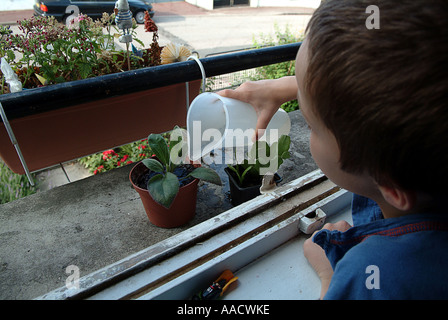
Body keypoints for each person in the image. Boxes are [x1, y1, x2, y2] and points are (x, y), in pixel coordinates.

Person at [218, 0, 448, 299]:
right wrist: (285, 87)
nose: (305, 119)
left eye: (311, 124)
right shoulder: (413, 166)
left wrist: (332, 273)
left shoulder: (375, 273)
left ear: (391, 186)